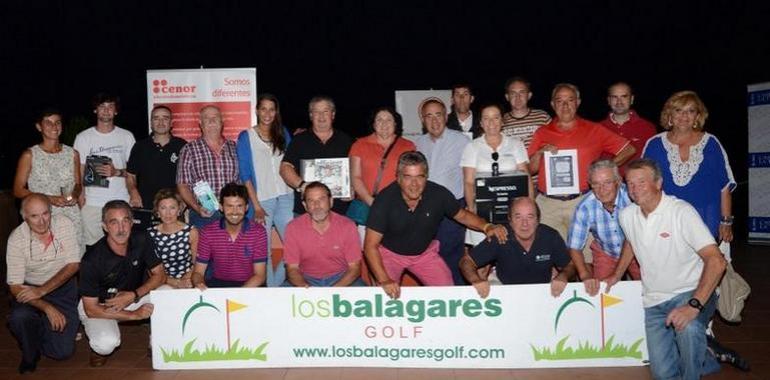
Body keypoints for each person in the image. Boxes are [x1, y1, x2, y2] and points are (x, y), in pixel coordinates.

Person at [605, 159, 727, 380]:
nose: (634, 189)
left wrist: (693, 306)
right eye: (630, 184)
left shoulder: (681, 212)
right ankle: (707, 356)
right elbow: (631, 241)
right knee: (662, 374)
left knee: (688, 328)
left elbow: (717, 261)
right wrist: (616, 273)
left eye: (641, 182)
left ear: (658, 183)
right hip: (653, 302)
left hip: (690, 293)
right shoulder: (627, 215)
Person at [363, 151, 507, 299]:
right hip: (390, 255)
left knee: (447, 295)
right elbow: (370, 246)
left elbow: (462, 215)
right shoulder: (384, 200)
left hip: (424, 254)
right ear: (398, 178)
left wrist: (487, 226)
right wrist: (384, 279)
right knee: (384, 296)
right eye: (408, 177)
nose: (414, 184)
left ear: (426, 177)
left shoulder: (439, 194)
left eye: (419, 177)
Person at [527, 83, 635, 245]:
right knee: (551, 258)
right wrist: (540, 153)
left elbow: (628, 149)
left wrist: (604, 168)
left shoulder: (594, 129)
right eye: (559, 101)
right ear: (552, 104)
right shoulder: (542, 132)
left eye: (570, 100)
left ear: (577, 102)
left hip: (583, 201)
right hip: (548, 205)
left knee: (587, 258)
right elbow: (530, 169)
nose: (565, 106)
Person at [78, 200, 167, 366]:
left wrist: (134, 296)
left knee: (167, 292)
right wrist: (135, 315)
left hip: (133, 297)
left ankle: (156, 342)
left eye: (125, 221)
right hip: (101, 307)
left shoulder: (142, 238)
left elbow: (160, 276)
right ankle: (97, 348)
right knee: (106, 344)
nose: (121, 229)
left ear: (132, 222)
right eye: (114, 222)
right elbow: (91, 309)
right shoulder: (91, 259)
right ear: (104, 226)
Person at [642, 90, 736, 243]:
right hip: (666, 220)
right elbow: (643, 184)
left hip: (706, 219)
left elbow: (724, 186)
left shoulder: (711, 143)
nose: (684, 116)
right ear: (669, 115)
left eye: (690, 111)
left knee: (706, 265)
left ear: (697, 116)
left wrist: (726, 221)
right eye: (678, 110)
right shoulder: (654, 144)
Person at [6, 194, 80, 373]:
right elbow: (15, 287)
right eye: (34, 216)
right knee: (19, 317)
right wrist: (46, 307)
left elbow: (73, 265)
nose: (41, 221)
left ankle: (40, 328)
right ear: (24, 217)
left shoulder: (64, 224)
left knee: (62, 352)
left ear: (51, 212)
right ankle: (30, 353)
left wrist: (43, 290)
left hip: (63, 289)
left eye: (45, 214)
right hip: (30, 289)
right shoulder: (16, 240)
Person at [459, 197, 575, 298]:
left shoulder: (550, 236)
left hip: (543, 289)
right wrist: (476, 280)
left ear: (538, 219)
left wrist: (563, 276)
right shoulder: (500, 237)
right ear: (510, 220)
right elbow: (466, 261)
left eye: (530, 217)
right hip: (503, 287)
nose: (524, 224)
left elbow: (569, 265)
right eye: (518, 217)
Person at [236, 94, 294, 287]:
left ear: (276, 112)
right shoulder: (246, 137)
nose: (267, 113)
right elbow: (245, 175)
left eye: (271, 109)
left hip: (286, 196)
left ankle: (277, 284)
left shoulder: (283, 133)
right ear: (257, 111)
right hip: (262, 200)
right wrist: (256, 205)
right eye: (263, 109)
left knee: (294, 245)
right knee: (264, 251)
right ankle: (270, 291)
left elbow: (292, 162)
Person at [415, 98, 471, 285]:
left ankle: (458, 302)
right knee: (429, 259)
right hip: (424, 212)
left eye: (438, 115)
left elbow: (470, 176)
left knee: (453, 259)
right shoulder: (418, 144)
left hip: (452, 212)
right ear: (423, 120)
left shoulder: (462, 141)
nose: (434, 120)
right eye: (428, 116)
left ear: (446, 116)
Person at [13, 108, 84, 254]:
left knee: (74, 259)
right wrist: (49, 199)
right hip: (42, 217)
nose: (54, 126)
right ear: (39, 127)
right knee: (48, 260)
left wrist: (75, 196)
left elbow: (78, 184)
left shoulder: (72, 153)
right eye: (48, 123)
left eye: (57, 122)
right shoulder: (30, 155)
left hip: (71, 215)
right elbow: (18, 190)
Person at [566, 159, 641, 296]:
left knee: (648, 289)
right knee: (600, 293)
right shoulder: (585, 207)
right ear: (590, 185)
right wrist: (585, 276)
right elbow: (574, 247)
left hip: (637, 250)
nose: (602, 189)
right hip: (606, 251)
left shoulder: (633, 198)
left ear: (618, 182)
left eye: (607, 183)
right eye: (596, 184)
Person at [461, 103, 532, 246]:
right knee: (482, 257)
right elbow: (468, 182)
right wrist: (472, 209)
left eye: (495, 118)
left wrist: (531, 205)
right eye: (486, 118)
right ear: (481, 123)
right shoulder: (472, 146)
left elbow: (526, 178)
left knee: (512, 251)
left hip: (512, 209)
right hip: (483, 209)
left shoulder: (516, 144)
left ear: (502, 121)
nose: (491, 123)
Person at [74, 93, 136, 246]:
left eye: (110, 106)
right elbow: (79, 171)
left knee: (122, 246)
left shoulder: (127, 136)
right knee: (94, 249)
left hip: (121, 201)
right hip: (93, 203)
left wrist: (117, 172)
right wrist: (81, 198)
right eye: (102, 106)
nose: (106, 110)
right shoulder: (83, 137)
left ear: (116, 111)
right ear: (95, 110)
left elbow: (133, 171)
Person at [280, 96, 353, 215]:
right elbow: (285, 168)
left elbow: (356, 171)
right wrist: (302, 185)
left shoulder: (346, 141)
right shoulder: (299, 140)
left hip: (340, 212)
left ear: (333, 114)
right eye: (316, 112)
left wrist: (353, 188)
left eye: (325, 111)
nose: (321, 116)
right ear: (311, 115)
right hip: (305, 212)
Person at [349, 107, 416, 235]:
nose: (384, 124)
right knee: (366, 249)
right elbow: (355, 177)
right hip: (367, 206)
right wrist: (372, 203)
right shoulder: (360, 145)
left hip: (397, 207)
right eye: (379, 120)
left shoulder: (408, 146)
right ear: (374, 124)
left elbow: (411, 177)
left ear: (395, 124)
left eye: (389, 120)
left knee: (394, 250)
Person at [283, 182, 365, 287]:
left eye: (321, 199)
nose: (316, 205)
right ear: (305, 205)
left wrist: (334, 291)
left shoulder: (348, 226)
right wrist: (305, 288)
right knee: (279, 299)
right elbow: (292, 268)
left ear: (331, 201)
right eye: (311, 201)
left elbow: (355, 268)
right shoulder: (293, 227)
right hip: (306, 278)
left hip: (341, 277)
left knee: (364, 295)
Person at [191, 183, 267, 289]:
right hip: (219, 285)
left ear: (247, 207)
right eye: (229, 206)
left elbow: (260, 275)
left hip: (251, 285)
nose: (234, 211)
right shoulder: (207, 232)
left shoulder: (258, 232)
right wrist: (199, 283)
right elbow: (198, 272)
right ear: (221, 207)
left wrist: (236, 295)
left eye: (239, 206)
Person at [176, 105, 239, 228]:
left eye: (215, 118)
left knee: (233, 248)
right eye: (206, 118)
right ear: (200, 123)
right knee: (204, 248)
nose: (211, 121)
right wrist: (197, 208)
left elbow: (241, 181)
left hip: (233, 213)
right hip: (204, 214)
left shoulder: (234, 147)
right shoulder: (189, 149)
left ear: (222, 122)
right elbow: (182, 185)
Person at [126, 105, 187, 209]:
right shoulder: (140, 147)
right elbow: (130, 176)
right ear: (151, 123)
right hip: (146, 206)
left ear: (171, 122)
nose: (161, 122)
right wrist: (133, 192)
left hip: (174, 208)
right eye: (156, 118)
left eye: (165, 118)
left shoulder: (182, 146)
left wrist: (184, 200)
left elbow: (190, 178)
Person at [599, 82, 656, 175]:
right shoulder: (598, 128)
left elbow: (654, 162)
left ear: (632, 99)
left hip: (637, 185)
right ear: (608, 100)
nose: (619, 102)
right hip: (607, 185)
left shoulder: (647, 128)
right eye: (614, 97)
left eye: (624, 96)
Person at [147, 188, 198, 288]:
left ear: (179, 210)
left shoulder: (191, 231)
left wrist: (185, 281)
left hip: (188, 279)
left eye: (172, 208)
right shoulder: (150, 234)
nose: (168, 213)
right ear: (157, 211)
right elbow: (150, 270)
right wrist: (175, 283)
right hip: (162, 281)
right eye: (163, 208)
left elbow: (197, 263)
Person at [501, 76, 551, 148]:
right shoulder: (500, 121)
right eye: (513, 93)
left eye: (522, 92)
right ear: (507, 97)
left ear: (529, 95)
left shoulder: (543, 117)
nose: (518, 97)